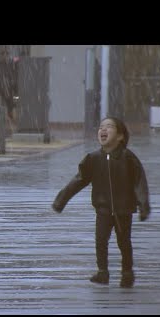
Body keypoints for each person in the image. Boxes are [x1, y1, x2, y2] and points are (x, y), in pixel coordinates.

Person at [52, 116, 150, 288]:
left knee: (124, 242)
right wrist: (61, 200)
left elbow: (139, 182)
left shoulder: (128, 157)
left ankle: (127, 273)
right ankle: (102, 272)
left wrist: (143, 204)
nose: (103, 130)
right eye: (101, 127)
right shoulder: (93, 158)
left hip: (124, 208)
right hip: (103, 208)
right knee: (101, 241)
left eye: (109, 127)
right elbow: (79, 180)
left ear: (120, 136)